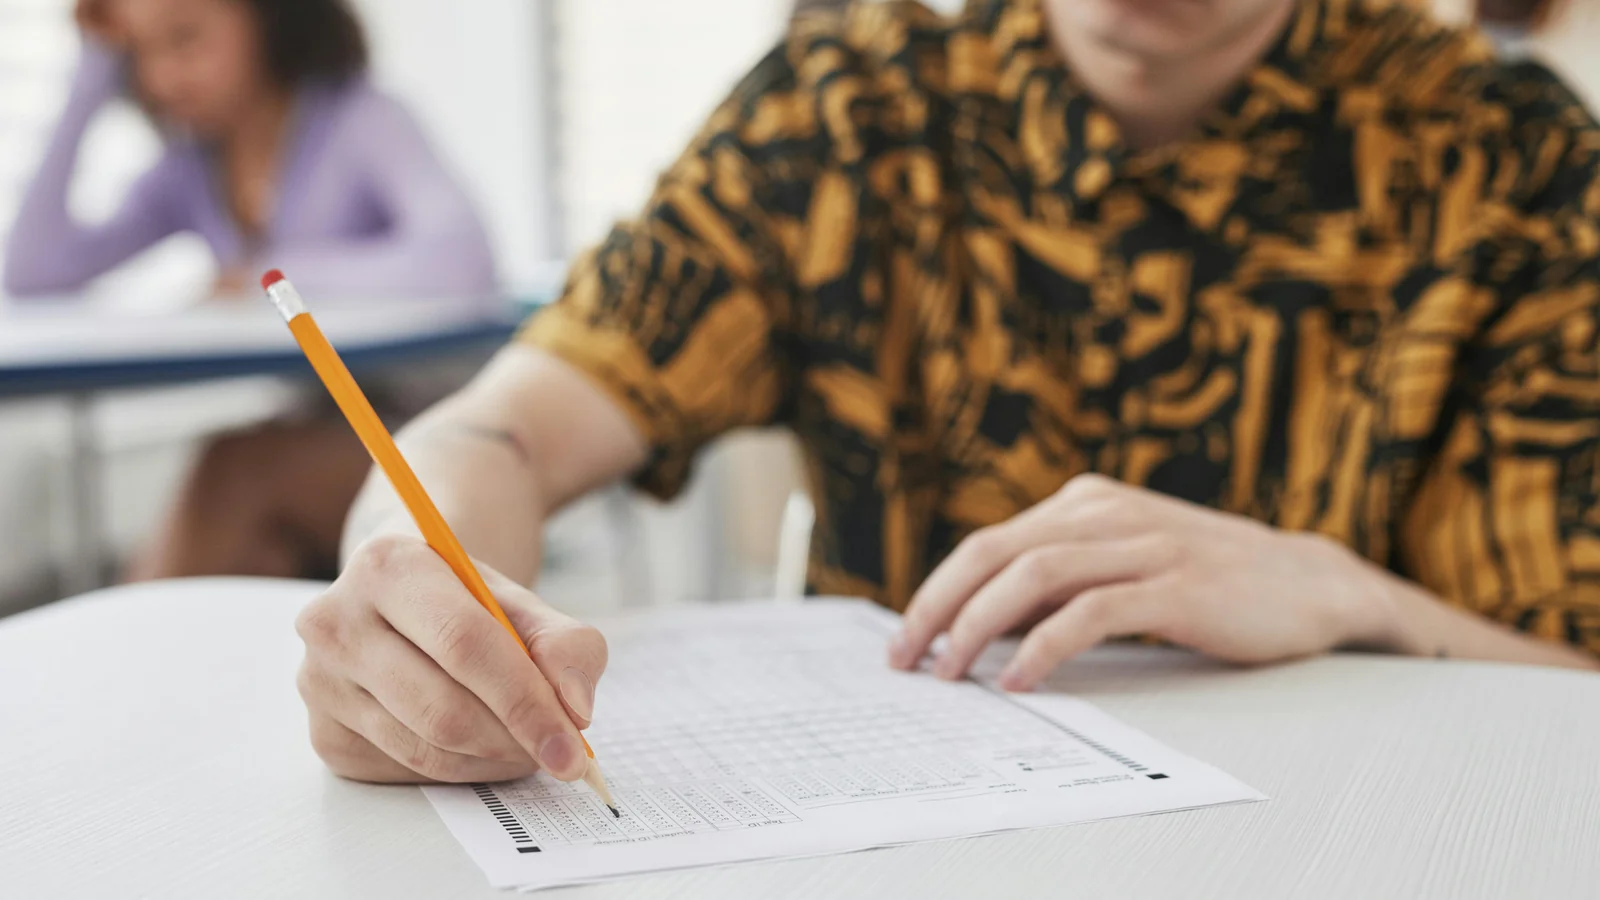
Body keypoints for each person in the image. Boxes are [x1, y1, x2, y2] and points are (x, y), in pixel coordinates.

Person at [292, 0, 1600, 787]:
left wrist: (1351, 595)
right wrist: (417, 592)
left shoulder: (1515, 167)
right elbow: (506, 427)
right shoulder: (843, 111)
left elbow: (1574, 670)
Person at [2, 0, 498, 581]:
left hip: (451, 429)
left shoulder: (363, 118)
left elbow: (464, 259)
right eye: (139, 55)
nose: (161, 77)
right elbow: (31, 270)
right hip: (332, 429)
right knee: (251, 559)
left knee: (234, 470)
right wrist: (91, 78)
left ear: (269, 18)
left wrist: (270, 275)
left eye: (184, 39)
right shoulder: (189, 170)